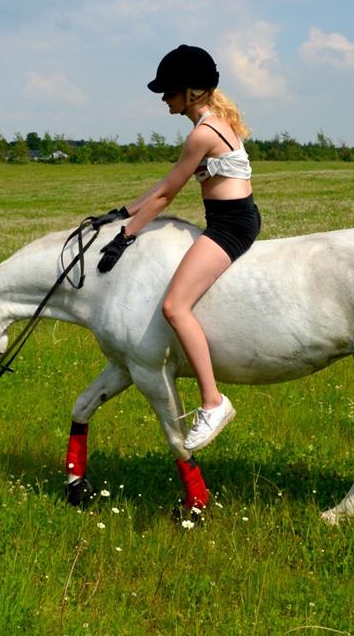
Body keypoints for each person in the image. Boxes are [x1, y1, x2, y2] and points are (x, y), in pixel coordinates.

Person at [95, 44, 260, 452]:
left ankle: (213, 401)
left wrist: (126, 236)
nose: (164, 99)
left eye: (168, 91)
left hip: (231, 225)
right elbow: (162, 187)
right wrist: (121, 212)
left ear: (192, 92)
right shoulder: (217, 122)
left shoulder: (202, 134)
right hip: (230, 218)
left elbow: (168, 195)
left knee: (174, 306)